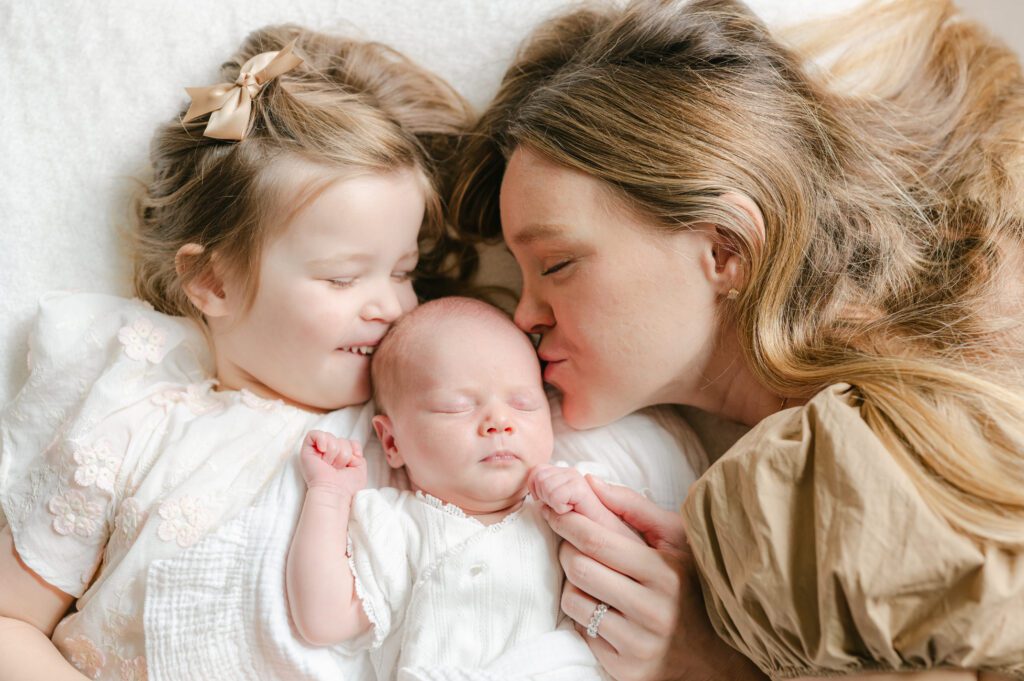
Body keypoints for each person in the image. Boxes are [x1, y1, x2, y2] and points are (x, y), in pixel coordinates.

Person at [449, 0, 1024, 680]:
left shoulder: (812, 490)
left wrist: (707, 663)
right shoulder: (921, 401)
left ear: (725, 249)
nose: (524, 316)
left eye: (557, 265)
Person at [0, 25, 472, 681]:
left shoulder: (410, 434)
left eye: (402, 272)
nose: (388, 306)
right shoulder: (137, 419)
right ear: (213, 281)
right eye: (342, 278)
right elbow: (10, 622)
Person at [286, 296, 626, 679]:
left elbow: (639, 579)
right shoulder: (397, 526)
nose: (499, 422)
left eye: (524, 403)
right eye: (456, 406)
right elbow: (323, 621)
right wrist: (329, 495)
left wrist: (590, 512)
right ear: (392, 443)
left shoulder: (576, 498)